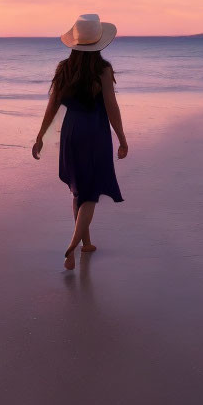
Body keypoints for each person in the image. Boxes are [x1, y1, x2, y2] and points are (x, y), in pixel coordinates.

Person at [32, 14, 128, 269]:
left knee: (78, 189)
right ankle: (73, 244)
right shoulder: (103, 70)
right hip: (95, 133)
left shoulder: (64, 68)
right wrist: (122, 138)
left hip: (71, 132)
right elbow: (111, 107)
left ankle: (86, 243)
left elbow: (52, 106)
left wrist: (40, 136)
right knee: (90, 193)